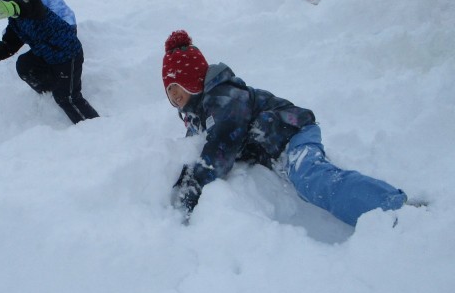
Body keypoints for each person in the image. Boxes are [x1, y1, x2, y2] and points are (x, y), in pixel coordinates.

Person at [162, 30, 408, 226]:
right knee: (306, 181)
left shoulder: (225, 97)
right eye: (168, 88)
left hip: (292, 134)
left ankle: (392, 209)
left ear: (192, 78)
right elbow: (196, 148)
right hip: (276, 148)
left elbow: (220, 147)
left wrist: (194, 185)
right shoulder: (196, 115)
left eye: (177, 84)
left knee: (311, 179)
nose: (173, 93)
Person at [0, 0, 99, 124]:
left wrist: (13, 7)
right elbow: (9, 45)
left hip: (67, 54)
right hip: (48, 56)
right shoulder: (15, 22)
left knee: (66, 98)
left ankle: (95, 127)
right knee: (24, 64)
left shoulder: (28, 3)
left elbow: (33, 5)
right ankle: (50, 92)